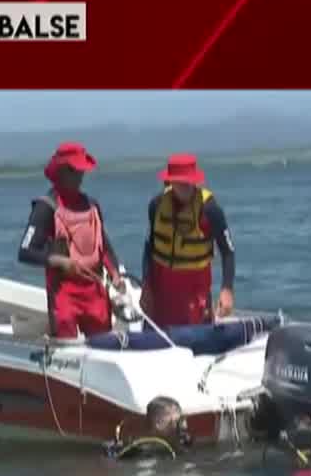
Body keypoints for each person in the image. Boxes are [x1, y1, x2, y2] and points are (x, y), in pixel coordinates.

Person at [19, 143, 124, 339]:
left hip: (94, 289)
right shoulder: (46, 207)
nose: (78, 176)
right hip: (63, 292)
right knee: (66, 342)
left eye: (80, 171)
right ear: (60, 171)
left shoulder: (92, 206)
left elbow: (104, 246)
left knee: (103, 343)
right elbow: (25, 251)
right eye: (72, 170)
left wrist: (115, 274)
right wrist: (59, 261)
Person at [142, 154, 237, 328]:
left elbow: (228, 251)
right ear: (170, 181)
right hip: (161, 285)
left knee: (197, 338)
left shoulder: (210, 209)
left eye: (188, 181)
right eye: (180, 182)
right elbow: (149, 248)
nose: (185, 186)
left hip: (195, 288)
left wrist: (227, 289)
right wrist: (146, 287)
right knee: (156, 337)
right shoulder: (156, 205)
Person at [104, 396, 192, 459]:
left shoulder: (179, 440)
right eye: (173, 422)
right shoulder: (136, 447)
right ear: (158, 423)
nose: (179, 427)